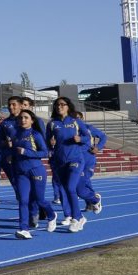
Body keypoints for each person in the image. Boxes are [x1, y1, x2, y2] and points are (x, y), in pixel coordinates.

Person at [12, 109, 58, 239]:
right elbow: (14, 152)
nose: (23, 120)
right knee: (23, 200)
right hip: (21, 172)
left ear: (32, 120)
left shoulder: (35, 134)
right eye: (21, 118)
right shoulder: (15, 135)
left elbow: (44, 153)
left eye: (26, 118)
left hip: (36, 170)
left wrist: (26, 152)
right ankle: (24, 229)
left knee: (39, 199)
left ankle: (51, 215)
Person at [47, 97, 90, 232]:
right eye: (57, 105)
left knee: (71, 188)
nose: (59, 107)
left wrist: (80, 139)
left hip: (75, 160)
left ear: (68, 106)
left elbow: (88, 137)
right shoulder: (52, 124)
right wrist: (50, 145)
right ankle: (80, 217)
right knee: (66, 189)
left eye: (62, 104)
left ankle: (76, 218)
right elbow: (46, 142)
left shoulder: (76, 121)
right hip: (60, 161)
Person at [75, 110, 105, 219]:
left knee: (82, 183)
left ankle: (94, 200)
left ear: (82, 119)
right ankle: (91, 201)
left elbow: (103, 136)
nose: (76, 120)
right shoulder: (70, 130)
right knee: (83, 183)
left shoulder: (89, 128)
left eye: (78, 118)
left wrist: (98, 147)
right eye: (74, 118)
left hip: (88, 160)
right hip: (75, 161)